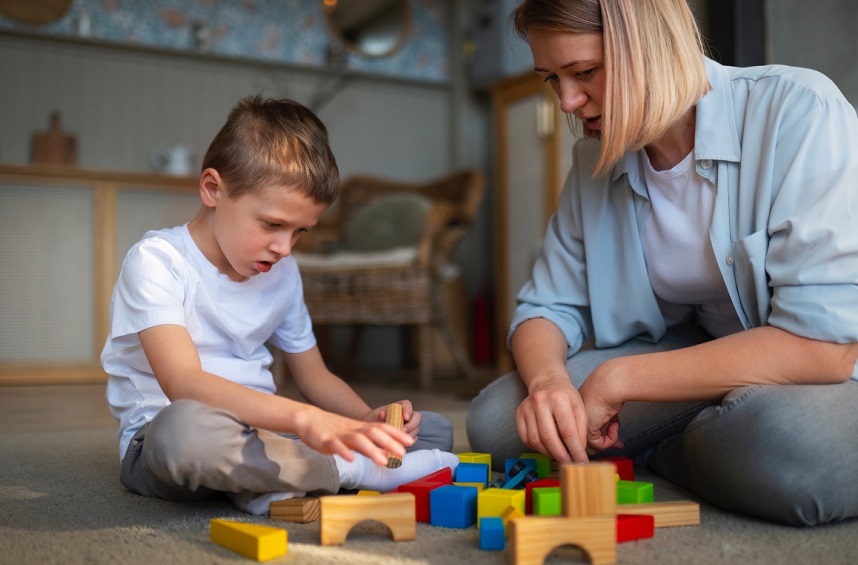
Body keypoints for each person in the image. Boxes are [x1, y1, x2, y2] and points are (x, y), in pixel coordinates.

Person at [467, 0, 858, 527]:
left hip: (824, 366)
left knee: (786, 446)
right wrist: (548, 386)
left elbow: (824, 347)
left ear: (650, 44)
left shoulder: (799, 110)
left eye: (584, 72)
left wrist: (620, 379)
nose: (567, 101)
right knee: (499, 424)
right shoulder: (593, 162)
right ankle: (708, 444)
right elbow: (545, 307)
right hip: (700, 351)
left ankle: (675, 450)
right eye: (551, 79)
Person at [102, 94, 457, 515]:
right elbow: (185, 384)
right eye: (272, 224)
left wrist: (367, 420)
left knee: (434, 431)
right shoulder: (157, 261)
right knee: (184, 435)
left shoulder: (283, 272)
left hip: (267, 435)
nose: (285, 248)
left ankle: (270, 478)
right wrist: (306, 420)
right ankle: (351, 472)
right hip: (168, 439)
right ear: (213, 189)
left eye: (300, 232)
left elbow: (315, 375)